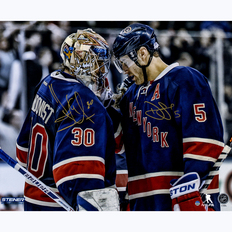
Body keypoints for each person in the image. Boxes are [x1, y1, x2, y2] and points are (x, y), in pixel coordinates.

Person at [112, 23, 230, 211]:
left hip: (177, 198)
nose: (123, 70)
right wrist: (108, 114)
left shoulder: (185, 79)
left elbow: (205, 143)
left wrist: (192, 193)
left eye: (124, 63)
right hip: (140, 202)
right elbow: (121, 147)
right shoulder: (129, 96)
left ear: (142, 54)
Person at [16, 28, 116, 211]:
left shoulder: (49, 82)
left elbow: (23, 150)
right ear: (78, 60)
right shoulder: (84, 102)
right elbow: (78, 178)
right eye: (96, 61)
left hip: (33, 199)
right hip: (58, 206)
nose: (101, 69)